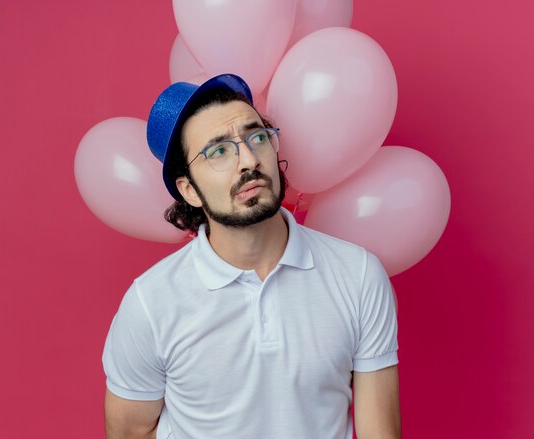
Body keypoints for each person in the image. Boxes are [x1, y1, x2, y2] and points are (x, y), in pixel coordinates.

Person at [102, 74, 400, 439]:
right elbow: (130, 433)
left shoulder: (358, 275)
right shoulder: (150, 303)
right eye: (219, 151)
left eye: (257, 137)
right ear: (189, 190)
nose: (248, 160)